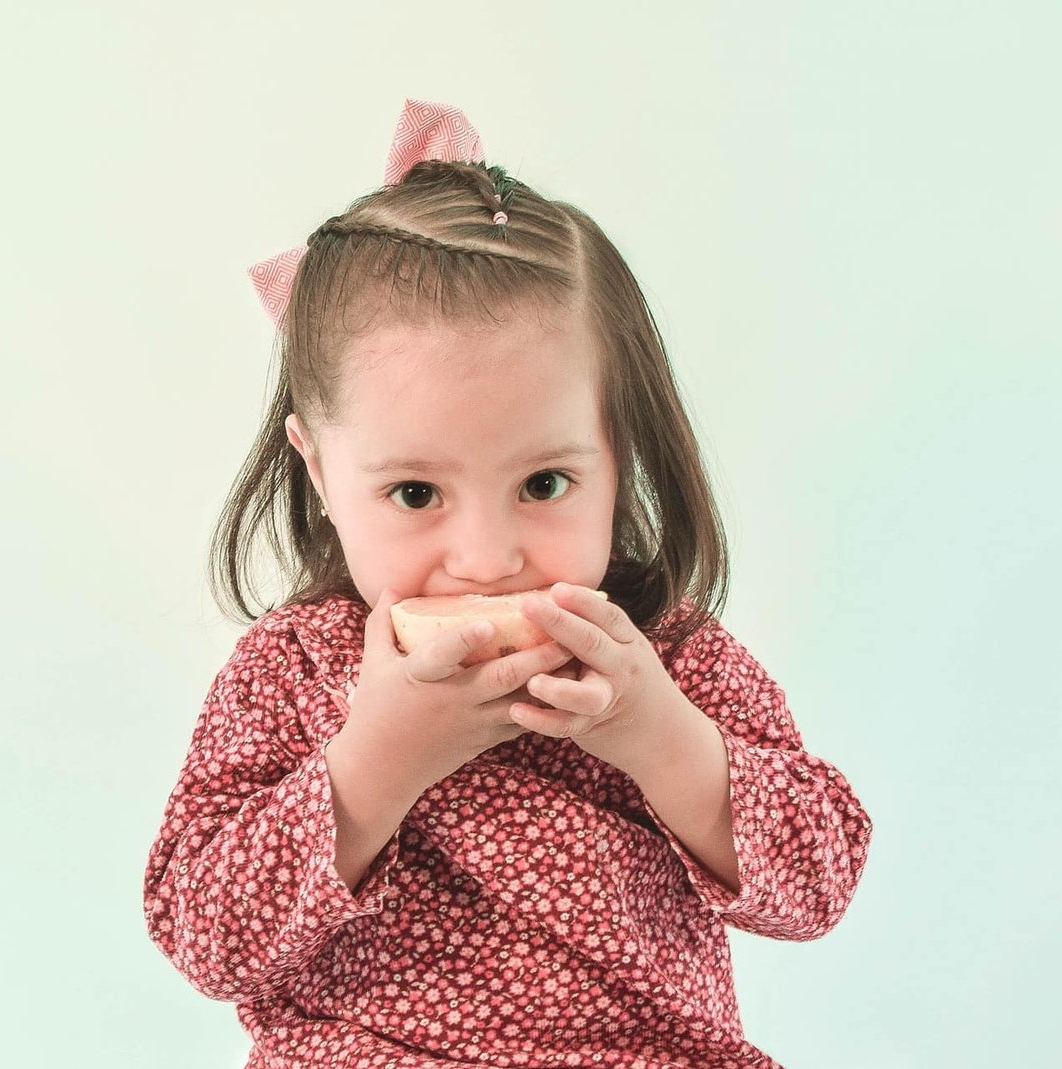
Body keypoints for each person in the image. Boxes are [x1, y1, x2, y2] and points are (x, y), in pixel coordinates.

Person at [144, 98, 873, 1069]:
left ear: (620, 455)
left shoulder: (666, 653)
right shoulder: (292, 672)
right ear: (318, 471)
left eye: (543, 483)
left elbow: (819, 879)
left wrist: (659, 735)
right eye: (414, 492)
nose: (487, 558)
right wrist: (374, 763)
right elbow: (203, 935)